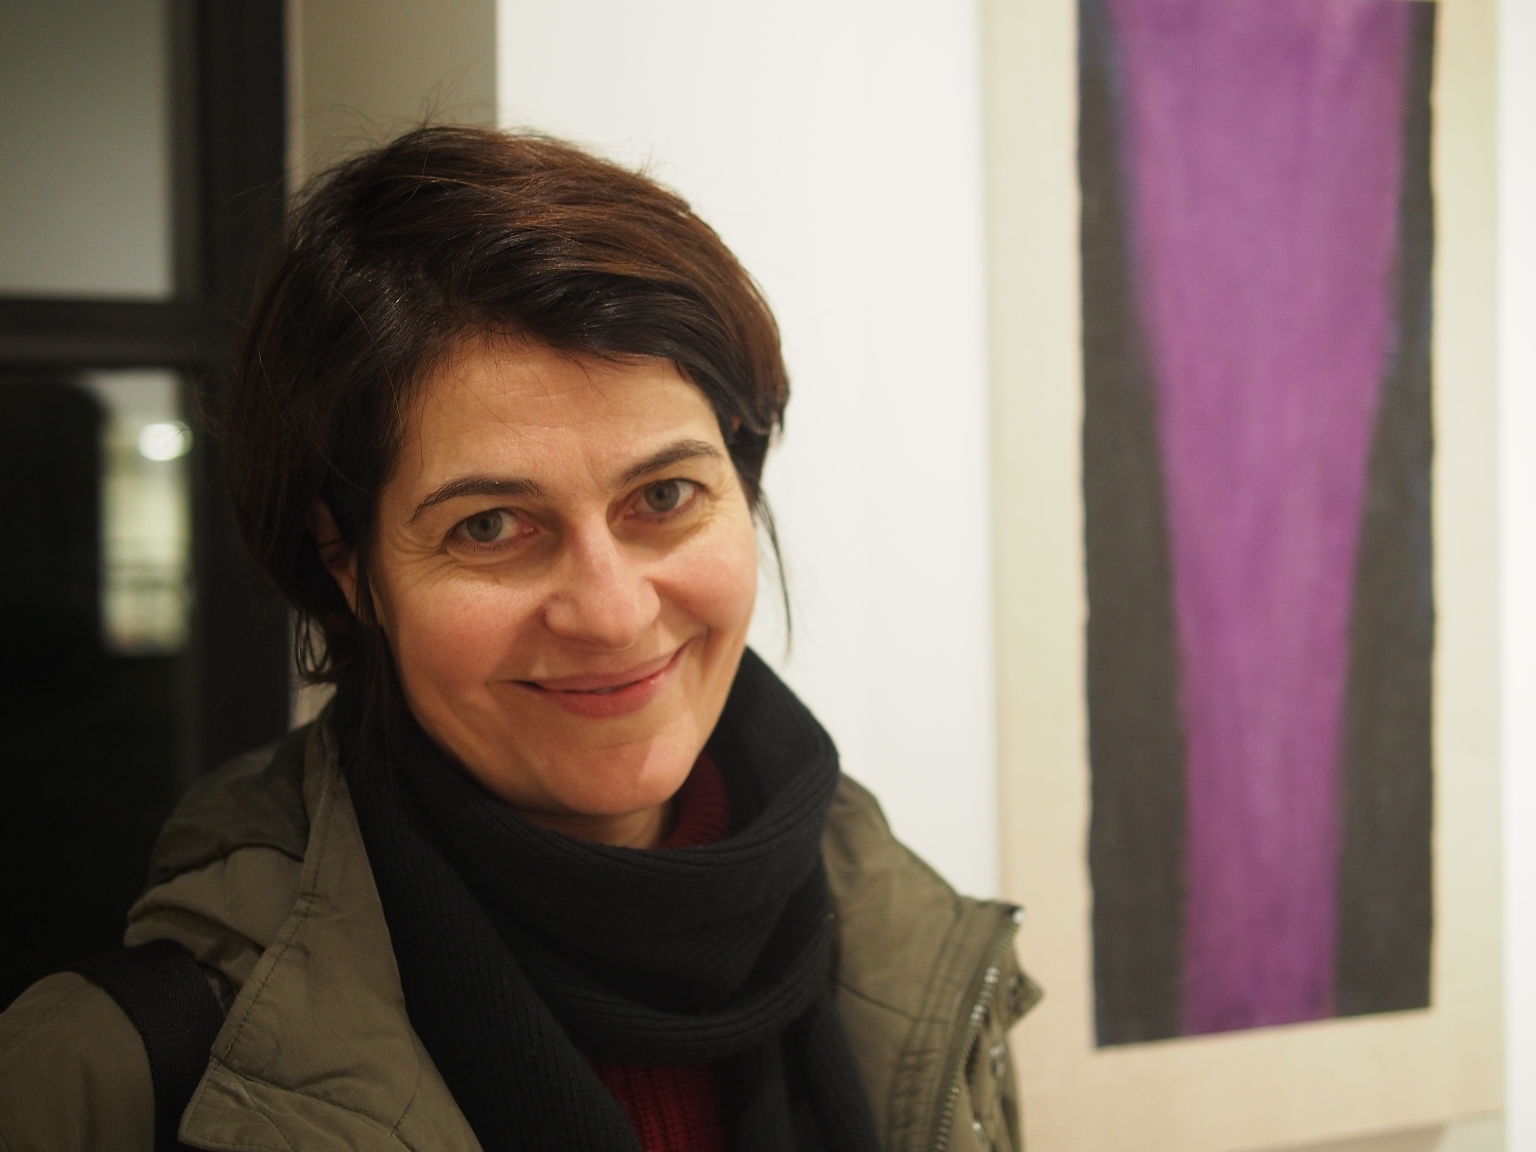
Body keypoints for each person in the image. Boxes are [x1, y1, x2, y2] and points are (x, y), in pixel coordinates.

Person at [0, 125, 1036, 1152]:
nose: (613, 612)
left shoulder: (919, 969)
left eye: (664, 496)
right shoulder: (109, 1075)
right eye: (490, 526)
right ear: (346, 561)